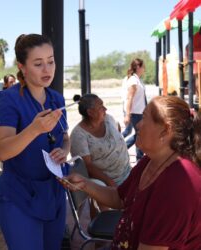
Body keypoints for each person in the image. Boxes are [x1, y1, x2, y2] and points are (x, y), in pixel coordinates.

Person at [63, 95, 201, 250]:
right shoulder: (149, 161)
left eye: (144, 118)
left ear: (165, 130)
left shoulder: (177, 185)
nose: (138, 125)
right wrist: (85, 184)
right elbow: (119, 198)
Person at [0, 33, 70, 250]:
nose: (47, 70)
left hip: (53, 192)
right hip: (20, 196)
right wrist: (34, 130)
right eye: (38, 64)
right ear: (22, 67)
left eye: (51, 61)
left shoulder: (56, 98)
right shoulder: (8, 99)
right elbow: (3, 150)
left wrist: (64, 151)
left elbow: (65, 137)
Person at [70, 93, 131, 187]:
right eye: (100, 107)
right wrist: (110, 183)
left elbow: (117, 128)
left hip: (128, 172)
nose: (105, 109)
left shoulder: (108, 119)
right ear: (90, 112)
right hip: (109, 183)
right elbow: (87, 166)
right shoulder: (78, 135)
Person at [124, 58, 146, 161]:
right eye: (143, 66)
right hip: (134, 113)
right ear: (138, 67)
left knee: (139, 135)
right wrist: (127, 114)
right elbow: (130, 97)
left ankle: (122, 150)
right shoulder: (133, 80)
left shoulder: (137, 79)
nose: (144, 69)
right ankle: (139, 158)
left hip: (139, 112)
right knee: (140, 135)